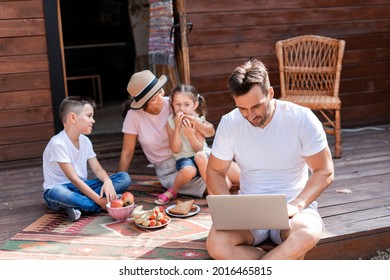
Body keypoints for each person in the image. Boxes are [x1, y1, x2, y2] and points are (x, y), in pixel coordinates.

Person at [205, 58, 334, 260]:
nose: (250, 116)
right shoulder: (230, 122)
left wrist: (297, 205)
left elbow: (325, 171)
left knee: (308, 234)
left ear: (270, 93)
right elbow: (214, 171)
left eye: (256, 106)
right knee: (217, 246)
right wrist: (229, 208)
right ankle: (279, 261)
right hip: (248, 212)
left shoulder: (301, 118)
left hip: (294, 209)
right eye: (242, 109)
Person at [118, 70, 240, 200]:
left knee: (239, 176)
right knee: (225, 184)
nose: (160, 99)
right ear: (143, 103)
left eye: (160, 92)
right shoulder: (134, 116)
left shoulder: (174, 104)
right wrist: (119, 183)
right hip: (173, 167)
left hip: (196, 153)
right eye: (153, 98)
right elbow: (127, 152)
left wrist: (194, 124)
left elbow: (208, 130)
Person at [42, 96, 131, 222]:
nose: (93, 120)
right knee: (61, 194)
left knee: (124, 178)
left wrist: (107, 181)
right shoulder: (58, 143)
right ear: (73, 118)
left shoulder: (85, 141)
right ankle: (96, 202)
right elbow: (74, 179)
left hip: (82, 187)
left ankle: (77, 207)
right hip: (60, 189)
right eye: (89, 116)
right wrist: (101, 201)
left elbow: (98, 169)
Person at [154, 84, 210, 205]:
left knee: (200, 156)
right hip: (184, 158)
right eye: (177, 104)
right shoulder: (170, 122)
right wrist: (178, 127)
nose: (181, 109)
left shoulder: (197, 120)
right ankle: (173, 191)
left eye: (186, 104)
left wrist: (190, 135)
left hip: (203, 158)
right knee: (188, 170)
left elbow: (198, 148)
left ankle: (212, 191)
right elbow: (175, 149)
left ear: (195, 105)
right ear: (172, 105)